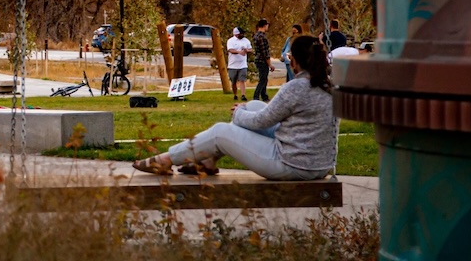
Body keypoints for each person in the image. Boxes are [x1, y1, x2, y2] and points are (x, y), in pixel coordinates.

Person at [133, 34, 336, 181]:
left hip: (292, 164)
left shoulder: (297, 87)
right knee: (255, 105)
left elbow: (261, 121)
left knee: (222, 132)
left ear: (295, 62)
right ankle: (208, 161)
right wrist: (245, 111)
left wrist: (238, 113)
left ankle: (167, 159)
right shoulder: (328, 85)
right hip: (318, 164)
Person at [226, 27, 253, 102]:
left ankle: (243, 95)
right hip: (232, 65)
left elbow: (251, 49)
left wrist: (247, 50)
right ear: (237, 34)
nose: (243, 34)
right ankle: (235, 94)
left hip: (243, 64)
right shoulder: (231, 41)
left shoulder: (246, 40)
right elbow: (230, 50)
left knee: (242, 80)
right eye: (241, 33)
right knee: (233, 81)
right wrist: (239, 52)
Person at [251, 19, 275, 102]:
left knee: (264, 78)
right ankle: (256, 96)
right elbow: (265, 52)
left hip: (258, 59)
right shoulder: (262, 37)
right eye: (267, 25)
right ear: (265, 25)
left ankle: (264, 96)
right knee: (263, 79)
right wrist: (270, 64)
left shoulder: (256, 35)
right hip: (262, 60)